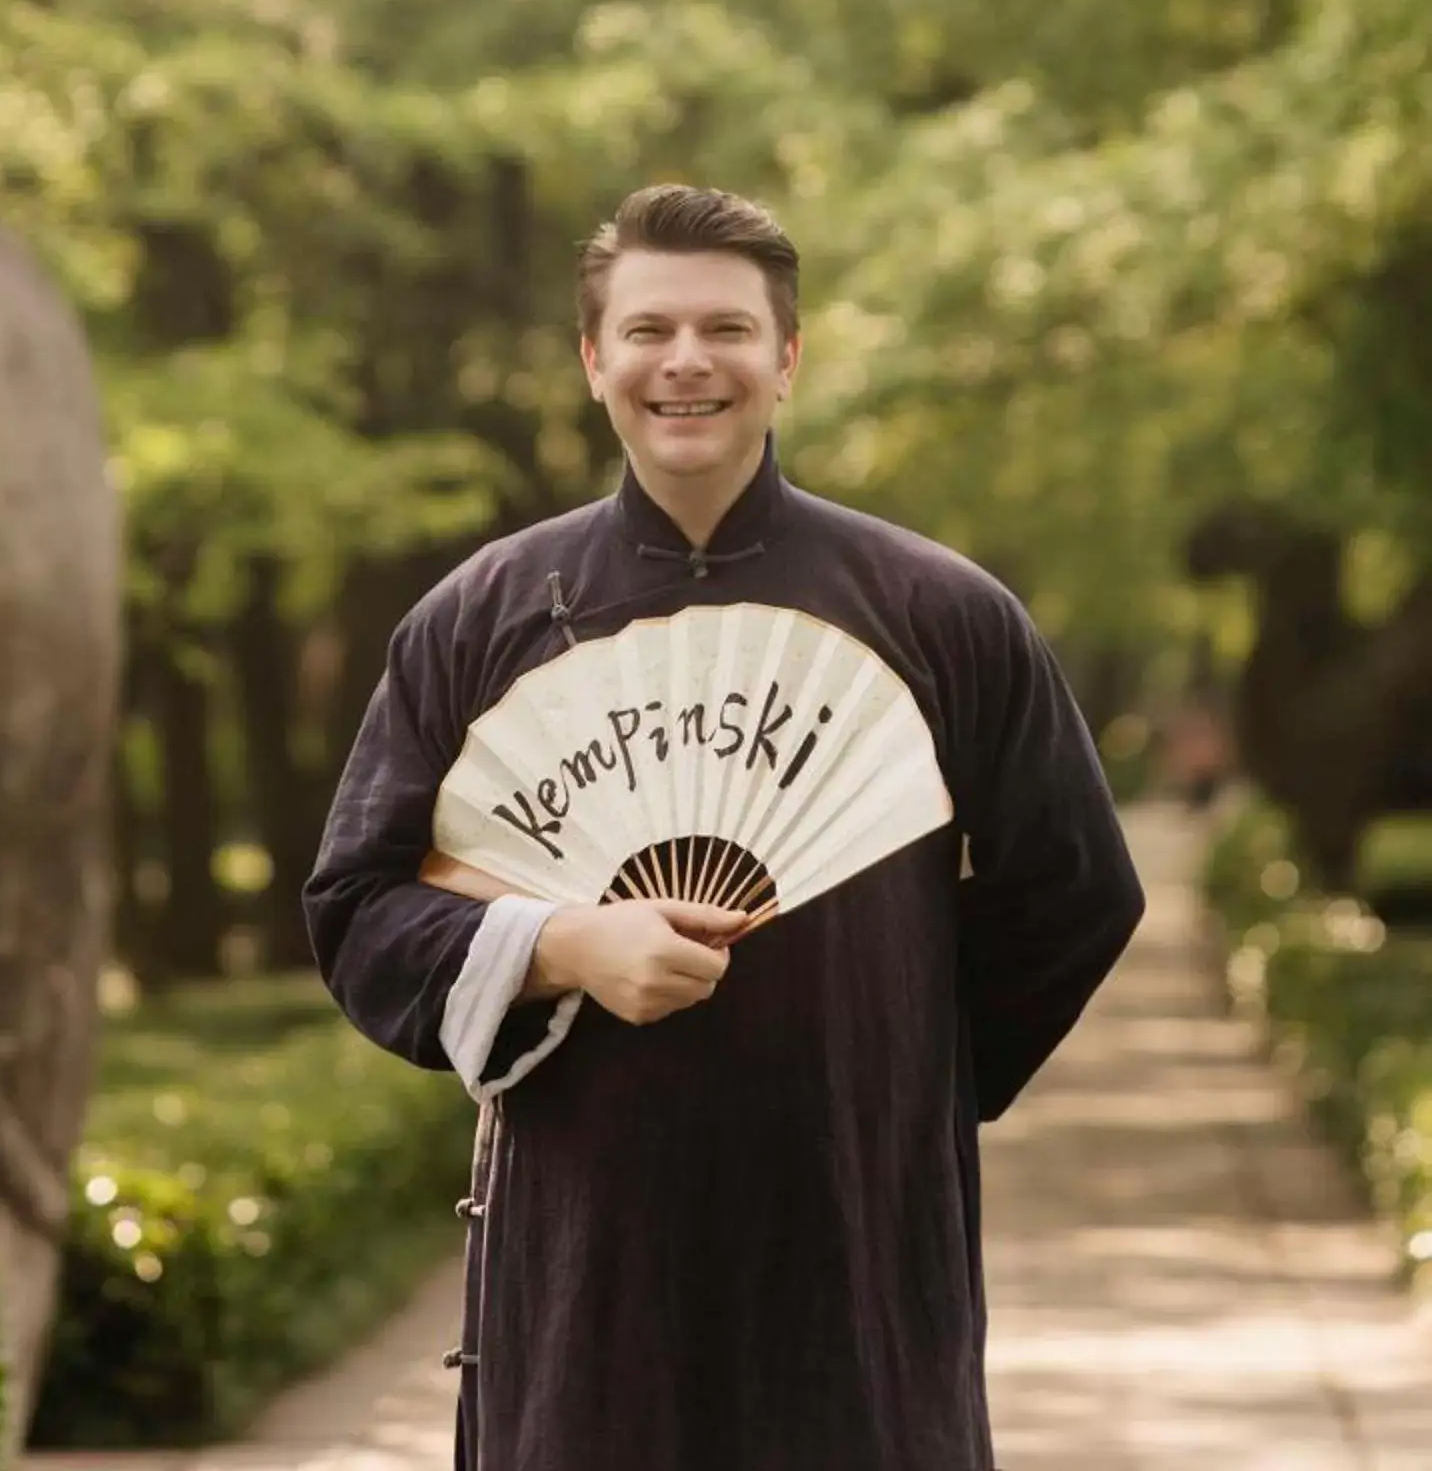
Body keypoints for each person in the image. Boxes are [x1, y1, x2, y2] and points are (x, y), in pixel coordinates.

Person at [304, 183, 1145, 1471]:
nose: (685, 362)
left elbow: (1076, 886)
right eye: (646, 332)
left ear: (787, 358)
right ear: (593, 362)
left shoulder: (939, 614)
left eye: (726, 330)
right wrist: (562, 944)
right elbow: (358, 907)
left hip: (855, 1229)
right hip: (591, 1242)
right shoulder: (480, 620)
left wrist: (900, 1056)